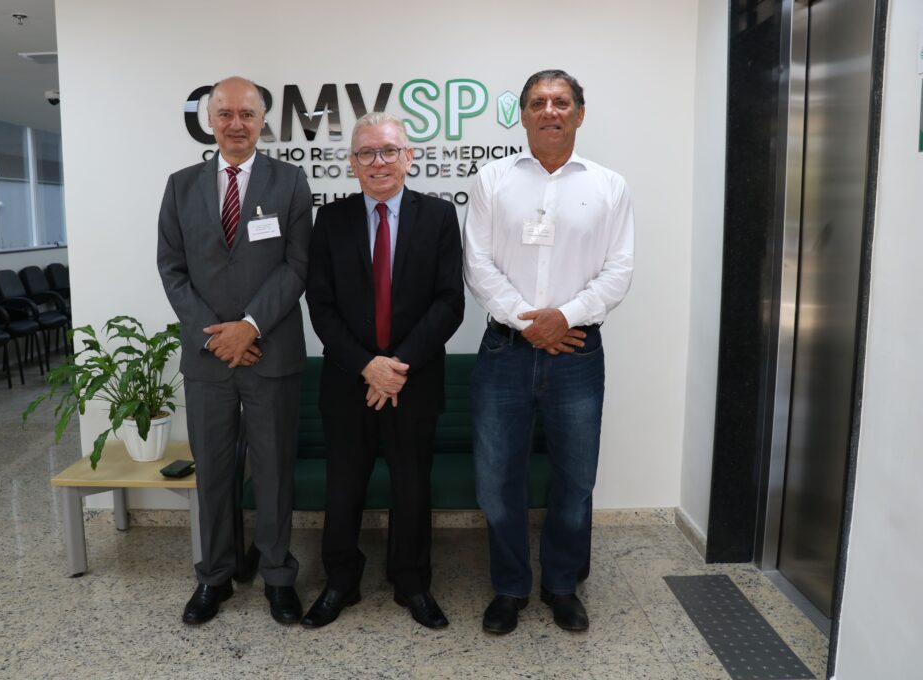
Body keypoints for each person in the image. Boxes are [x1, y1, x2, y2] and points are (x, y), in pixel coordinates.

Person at [462, 69, 634, 634]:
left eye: (561, 102)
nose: (550, 111)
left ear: (580, 114)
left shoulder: (610, 186)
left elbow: (619, 270)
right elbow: (478, 264)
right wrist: (529, 322)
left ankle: (562, 586)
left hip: (578, 353)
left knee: (575, 479)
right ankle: (510, 589)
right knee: (496, 478)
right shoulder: (492, 181)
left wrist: (566, 318)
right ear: (525, 115)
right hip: (505, 352)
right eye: (538, 102)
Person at [157, 76, 312, 626]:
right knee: (216, 471)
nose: (236, 123)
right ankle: (216, 577)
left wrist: (248, 327)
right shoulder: (179, 186)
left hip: (271, 352)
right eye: (225, 113)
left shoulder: (291, 182)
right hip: (207, 358)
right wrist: (217, 334)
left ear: (263, 119)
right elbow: (173, 271)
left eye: (247, 113)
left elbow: (297, 266)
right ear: (209, 120)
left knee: (272, 471)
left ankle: (276, 577)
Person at [302, 112, 464, 629]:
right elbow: (321, 305)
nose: (379, 162)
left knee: (412, 488)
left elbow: (449, 303)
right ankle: (340, 583)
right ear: (351, 164)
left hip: (413, 382)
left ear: (408, 157)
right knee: (343, 487)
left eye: (389, 150)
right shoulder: (331, 220)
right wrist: (368, 366)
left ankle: (413, 583)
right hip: (348, 382)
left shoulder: (439, 218)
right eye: (367, 153)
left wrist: (396, 368)